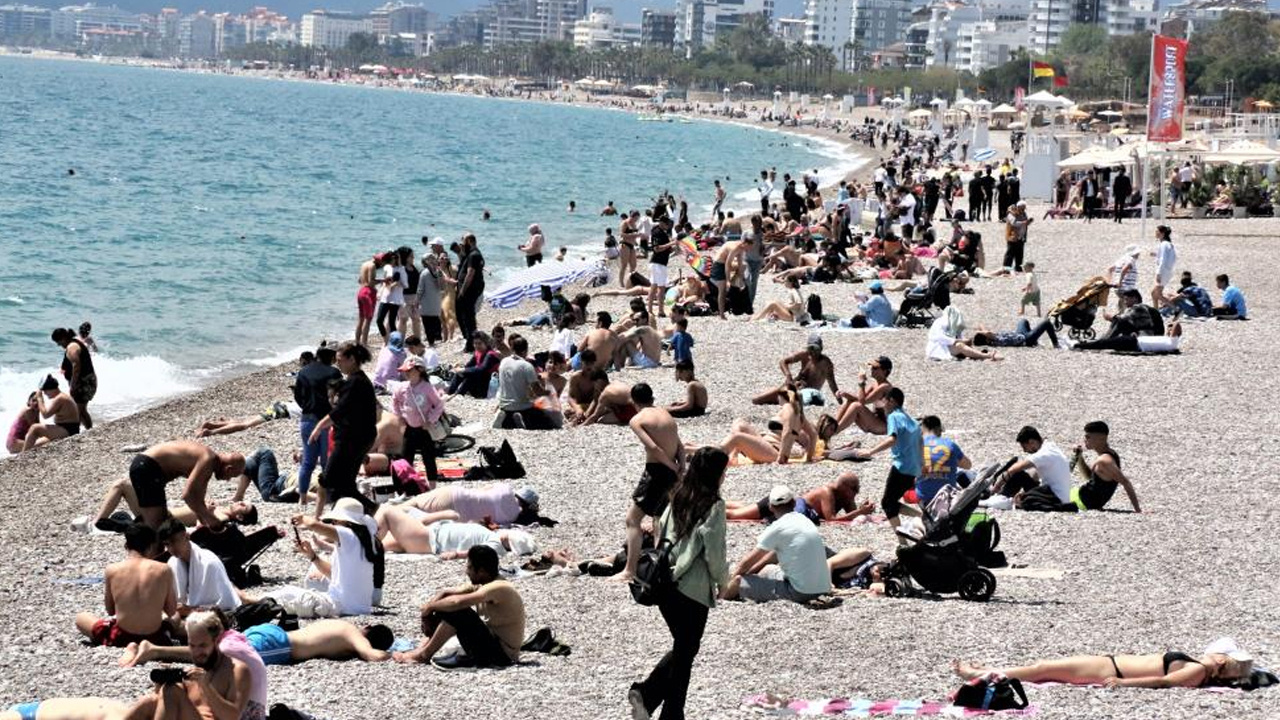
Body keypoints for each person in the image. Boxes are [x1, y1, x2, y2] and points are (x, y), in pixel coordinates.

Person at [628, 447, 729, 720]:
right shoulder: (714, 506)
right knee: (686, 649)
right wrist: (723, 582)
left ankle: (663, 707)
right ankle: (649, 696)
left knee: (685, 648)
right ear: (716, 474)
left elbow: (663, 533)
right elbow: (714, 551)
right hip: (691, 587)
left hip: (664, 582)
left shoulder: (678, 496)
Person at [393, 545, 526, 670]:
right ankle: (421, 650)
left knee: (457, 610)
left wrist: (428, 609)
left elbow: (456, 603)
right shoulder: (484, 582)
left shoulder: (499, 586)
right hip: (491, 646)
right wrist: (428, 614)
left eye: (469, 567)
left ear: (481, 571)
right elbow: (445, 594)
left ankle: (424, 655)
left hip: (502, 656)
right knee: (444, 606)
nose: (466, 571)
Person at [952, 644, 1255, 689]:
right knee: (1042, 667)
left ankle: (981, 674)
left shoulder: (1199, 669)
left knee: (1042, 668)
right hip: (1110, 665)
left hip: (1111, 670)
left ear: (1219, 659)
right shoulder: (1199, 667)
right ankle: (989, 668)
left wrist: (1123, 684)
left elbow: (1165, 682)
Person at [135, 612, 258, 720]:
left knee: (172, 691)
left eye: (202, 646)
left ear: (216, 641)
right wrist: (160, 687)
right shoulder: (197, 668)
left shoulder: (237, 670)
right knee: (149, 702)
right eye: (192, 646)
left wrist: (206, 686)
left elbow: (232, 717)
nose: (197, 652)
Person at [618, 383, 684, 583]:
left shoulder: (637, 419)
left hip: (657, 471)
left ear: (633, 400)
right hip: (672, 470)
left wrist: (670, 467)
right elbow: (679, 444)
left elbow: (653, 447)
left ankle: (629, 570)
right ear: (652, 397)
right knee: (659, 520)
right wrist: (680, 467)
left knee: (633, 520)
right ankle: (658, 567)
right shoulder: (666, 414)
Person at [721, 485, 832, 603]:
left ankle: (721, 597)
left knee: (738, 582)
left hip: (800, 592)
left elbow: (748, 561)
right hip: (822, 587)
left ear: (770, 507)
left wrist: (732, 579)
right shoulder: (805, 521)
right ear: (794, 503)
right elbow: (771, 556)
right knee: (768, 569)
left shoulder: (778, 527)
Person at [74, 523, 178, 648]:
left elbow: (110, 610)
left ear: (126, 546)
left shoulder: (112, 569)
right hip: (154, 638)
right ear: (151, 547)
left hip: (121, 637)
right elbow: (171, 611)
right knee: (176, 617)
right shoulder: (164, 569)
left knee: (81, 617)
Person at [308, 341, 379, 517]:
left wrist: (318, 428)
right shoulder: (357, 381)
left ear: (352, 359)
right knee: (345, 484)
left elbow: (338, 412)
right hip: (359, 438)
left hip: (353, 440)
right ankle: (360, 513)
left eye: (340, 360)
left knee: (327, 480)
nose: (337, 364)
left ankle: (321, 517)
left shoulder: (356, 383)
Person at [118, 440, 246, 531]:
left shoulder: (209, 458)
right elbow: (188, 496)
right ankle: (148, 559)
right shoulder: (209, 460)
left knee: (157, 521)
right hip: (148, 468)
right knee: (158, 527)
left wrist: (203, 524)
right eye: (231, 476)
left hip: (145, 466)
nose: (228, 480)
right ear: (228, 469)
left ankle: (128, 527)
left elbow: (198, 499)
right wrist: (212, 519)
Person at [843, 388, 921, 531]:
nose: (883, 405)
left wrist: (870, 451)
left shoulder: (894, 417)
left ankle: (904, 538)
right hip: (914, 468)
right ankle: (922, 516)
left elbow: (892, 439)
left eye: (884, 401)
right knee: (890, 502)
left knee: (887, 503)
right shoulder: (911, 420)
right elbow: (920, 443)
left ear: (892, 401)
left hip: (901, 467)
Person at [290, 498, 382, 615]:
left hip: (340, 606)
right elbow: (334, 575)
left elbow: (314, 525)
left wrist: (301, 517)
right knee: (288, 596)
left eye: (336, 520)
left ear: (348, 522)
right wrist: (312, 556)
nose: (333, 523)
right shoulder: (364, 540)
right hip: (355, 607)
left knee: (285, 595)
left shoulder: (348, 535)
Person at [158, 519, 246, 611]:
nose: (171, 548)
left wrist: (190, 610)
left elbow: (226, 604)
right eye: (167, 544)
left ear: (187, 536)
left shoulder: (209, 562)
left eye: (174, 541)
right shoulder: (172, 563)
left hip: (219, 615)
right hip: (188, 612)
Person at [293, 345, 341, 508]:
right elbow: (340, 396)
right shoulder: (333, 372)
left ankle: (303, 497)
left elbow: (297, 396)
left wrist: (307, 406)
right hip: (327, 421)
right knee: (327, 461)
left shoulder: (304, 371)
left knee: (308, 462)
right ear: (331, 358)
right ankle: (327, 496)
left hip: (307, 420)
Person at [724, 472, 873, 523]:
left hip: (781, 503)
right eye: (855, 489)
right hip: (775, 506)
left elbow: (850, 515)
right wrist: (860, 512)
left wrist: (860, 510)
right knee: (732, 515)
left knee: (745, 508)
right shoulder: (826, 492)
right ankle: (707, 508)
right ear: (845, 487)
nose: (857, 492)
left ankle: (720, 502)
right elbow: (831, 520)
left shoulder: (845, 496)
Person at [990, 426, 1074, 511]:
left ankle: (1001, 497)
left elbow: (1014, 469)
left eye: (1024, 447)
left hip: (1054, 497)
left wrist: (997, 486)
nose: (1025, 451)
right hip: (1058, 495)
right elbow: (1035, 475)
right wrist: (1025, 492)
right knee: (1020, 471)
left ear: (1031, 442)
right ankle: (1003, 496)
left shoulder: (1044, 453)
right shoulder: (1051, 446)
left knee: (1017, 473)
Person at [391, 355, 444, 490]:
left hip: (424, 429)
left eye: (409, 371)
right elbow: (394, 401)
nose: (406, 373)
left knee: (429, 459)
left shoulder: (427, 387)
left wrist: (431, 420)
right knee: (405, 460)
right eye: (405, 371)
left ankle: (432, 488)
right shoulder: (401, 387)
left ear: (419, 370)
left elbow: (439, 404)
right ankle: (404, 489)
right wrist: (400, 417)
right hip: (409, 428)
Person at [1067, 420, 1141, 512]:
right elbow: (1090, 477)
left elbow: (1125, 482)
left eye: (1088, 437)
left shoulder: (1105, 461)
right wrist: (1079, 457)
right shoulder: (1111, 454)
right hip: (1080, 496)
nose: (1085, 440)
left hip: (1080, 502)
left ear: (1102, 438)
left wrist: (1138, 510)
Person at [820, 356, 893, 441]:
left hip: (884, 426)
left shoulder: (885, 387)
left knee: (856, 406)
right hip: (873, 422)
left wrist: (862, 381)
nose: (872, 370)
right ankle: (832, 426)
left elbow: (863, 401)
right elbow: (861, 398)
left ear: (885, 371)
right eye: (872, 367)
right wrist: (846, 394)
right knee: (851, 401)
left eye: (875, 368)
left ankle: (834, 431)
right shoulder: (876, 384)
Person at [752, 337, 838, 406]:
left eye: (816, 349)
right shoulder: (805, 355)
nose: (813, 352)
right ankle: (775, 396)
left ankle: (777, 397)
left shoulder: (825, 363)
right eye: (810, 348)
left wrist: (839, 399)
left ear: (821, 349)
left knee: (758, 400)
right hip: (794, 387)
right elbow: (783, 361)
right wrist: (788, 375)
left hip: (806, 393)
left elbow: (832, 382)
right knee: (757, 399)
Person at [404, 483, 540, 526]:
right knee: (412, 521)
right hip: (459, 518)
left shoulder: (505, 489)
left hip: (455, 495)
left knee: (411, 504)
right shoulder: (511, 517)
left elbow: (481, 490)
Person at [917, 416, 971, 507]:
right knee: (960, 472)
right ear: (938, 429)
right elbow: (968, 465)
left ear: (922, 429)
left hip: (924, 497)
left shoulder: (915, 445)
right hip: (948, 496)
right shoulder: (950, 444)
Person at [51, 326, 96, 430]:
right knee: (80, 409)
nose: (58, 345)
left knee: (79, 410)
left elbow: (76, 365)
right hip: (86, 381)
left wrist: (73, 385)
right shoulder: (74, 342)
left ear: (63, 338)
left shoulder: (72, 347)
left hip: (83, 382)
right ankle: (87, 430)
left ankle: (81, 431)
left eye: (58, 342)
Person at [21, 375, 80, 451]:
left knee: (34, 428)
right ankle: (23, 452)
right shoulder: (61, 397)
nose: (45, 394)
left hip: (68, 430)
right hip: (65, 428)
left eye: (45, 391)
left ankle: (22, 456)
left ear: (51, 389)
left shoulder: (60, 398)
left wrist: (39, 398)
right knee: (38, 444)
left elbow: (45, 415)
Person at [446, 332, 502, 398]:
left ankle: (458, 395)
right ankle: (449, 393)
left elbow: (482, 369)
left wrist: (464, 370)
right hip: (480, 382)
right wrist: (460, 369)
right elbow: (469, 365)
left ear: (486, 344)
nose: (477, 346)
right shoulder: (477, 352)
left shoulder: (490, 355)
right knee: (460, 373)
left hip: (489, 386)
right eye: (475, 343)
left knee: (471, 375)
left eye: (479, 343)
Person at [709, 236, 754, 319]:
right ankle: (721, 314)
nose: (750, 249)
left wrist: (741, 279)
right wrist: (728, 280)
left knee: (743, 267)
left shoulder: (741, 247)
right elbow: (727, 264)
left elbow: (740, 263)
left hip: (725, 264)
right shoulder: (735, 248)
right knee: (722, 290)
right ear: (746, 244)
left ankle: (740, 307)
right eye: (750, 247)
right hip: (719, 265)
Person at [456, 234, 486, 352]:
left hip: (469, 291)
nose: (462, 244)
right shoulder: (473, 254)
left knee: (468, 318)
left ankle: (471, 344)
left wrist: (462, 291)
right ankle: (471, 341)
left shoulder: (474, 255)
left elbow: (470, 273)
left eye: (463, 241)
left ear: (469, 241)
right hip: (471, 290)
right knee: (467, 317)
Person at [194, 403, 288, 438]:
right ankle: (211, 432)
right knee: (246, 425)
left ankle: (214, 425)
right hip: (282, 410)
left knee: (248, 420)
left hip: (281, 405)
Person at [648, 215, 677, 319]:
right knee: (661, 287)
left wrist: (673, 247)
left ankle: (650, 310)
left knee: (654, 286)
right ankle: (660, 311)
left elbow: (665, 248)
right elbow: (656, 249)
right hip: (658, 263)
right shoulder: (657, 232)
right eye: (666, 224)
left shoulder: (661, 232)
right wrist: (670, 244)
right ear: (661, 223)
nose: (667, 226)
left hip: (658, 263)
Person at [419, 253, 445, 346]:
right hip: (436, 301)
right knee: (434, 320)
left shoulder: (424, 273)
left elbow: (420, 289)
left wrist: (417, 301)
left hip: (426, 302)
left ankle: (431, 341)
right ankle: (436, 337)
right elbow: (442, 287)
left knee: (427, 322)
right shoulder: (438, 272)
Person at [1151, 226, 1177, 311]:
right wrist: (1156, 254)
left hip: (1163, 271)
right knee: (1155, 293)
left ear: (1162, 233)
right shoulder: (1168, 244)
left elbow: (1163, 259)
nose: (1155, 233)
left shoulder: (1164, 244)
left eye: (1157, 231)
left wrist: (1159, 273)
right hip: (1167, 271)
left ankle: (1176, 309)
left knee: (1156, 293)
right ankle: (1156, 312)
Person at [1003, 201, 1032, 273]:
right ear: (1018, 207)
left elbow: (1024, 221)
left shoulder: (1024, 213)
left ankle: (1018, 268)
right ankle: (1006, 269)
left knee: (1019, 254)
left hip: (1021, 237)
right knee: (1010, 254)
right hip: (1012, 236)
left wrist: (1028, 222)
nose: (1023, 210)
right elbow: (1013, 223)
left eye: (1024, 209)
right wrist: (1023, 223)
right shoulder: (1011, 214)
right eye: (1022, 209)